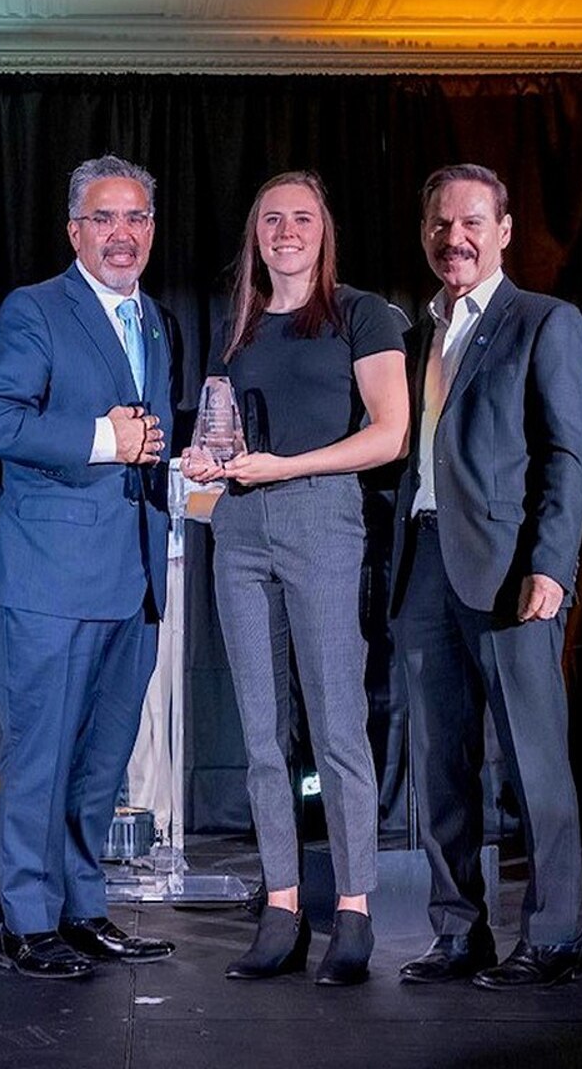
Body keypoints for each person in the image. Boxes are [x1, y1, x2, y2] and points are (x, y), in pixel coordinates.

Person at [181, 170, 409, 985]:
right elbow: (221, 429)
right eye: (272, 218)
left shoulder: (362, 313)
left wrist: (289, 466)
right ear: (256, 233)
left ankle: (352, 907)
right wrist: (206, 462)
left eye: (301, 217)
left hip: (321, 514)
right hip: (239, 525)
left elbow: (389, 436)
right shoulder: (238, 327)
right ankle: (282, 904)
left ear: (324, 229)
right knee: (259, 731)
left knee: (337, 724)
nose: (286, 230)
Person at [0, 154, 178, 979]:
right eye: (104, 219)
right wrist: (102, 438)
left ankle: (83, 909)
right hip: (50, 579)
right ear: (74, 231)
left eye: (135, 219)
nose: (121, 236)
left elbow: (149, 444)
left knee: (101, 760)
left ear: (151, 230)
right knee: (39, 757)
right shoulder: (35, 310)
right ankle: (26, 921)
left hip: (133, 578)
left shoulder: (154, 319)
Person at [391, 163, 582, 989]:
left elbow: (566, 454)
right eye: (441, 224)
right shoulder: (412, 335)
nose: (455, 239)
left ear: (504, 230)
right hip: (424, 567)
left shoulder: (545, 322)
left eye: (472, 222)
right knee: (438, 764)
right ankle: (457, 931)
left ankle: (554, 937)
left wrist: (551, 564)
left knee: (534, 761)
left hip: (510, 572)